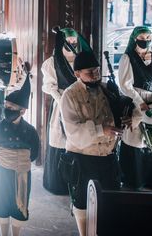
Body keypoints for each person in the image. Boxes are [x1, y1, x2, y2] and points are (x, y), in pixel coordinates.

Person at [60, 50, 139, 236]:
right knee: (82, 205)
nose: (95, 75)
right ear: (77, 73)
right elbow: (72, 132)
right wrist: (101, 129)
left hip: (108, 157)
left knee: (109, 203)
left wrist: (130, 119)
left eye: (97, 71)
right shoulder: (70, 95)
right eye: (89, 72)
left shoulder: (107, 89)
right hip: (82, 158)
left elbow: (130, 107)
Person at [117, 26, 152, 190]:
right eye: (142, 36)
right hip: (135, 100)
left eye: (148, 36)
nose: (145, 39)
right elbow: (125, 84)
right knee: (136, 137)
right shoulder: (128, 57)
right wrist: (139, 101)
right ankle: (134, 178)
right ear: (135, 38)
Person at [41, 28, 91, 195]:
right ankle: (58, 183)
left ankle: (78, 181)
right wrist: (64, 102)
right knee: (60, 140)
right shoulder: (52, 62)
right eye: (68, 41)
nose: (72, 43)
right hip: (61, 102)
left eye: (74, 40)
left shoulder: (82, 60)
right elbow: (50, 86)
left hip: (83, 103)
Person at [0, 74, 40, 236]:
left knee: (20, 204)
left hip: (23, 172)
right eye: (6, 106)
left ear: (22, 111)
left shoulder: (31, 131)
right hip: (2, 171)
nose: (7, 110)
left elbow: (34, 154)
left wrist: (19, 161)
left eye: (11, 108)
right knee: (2, 202)